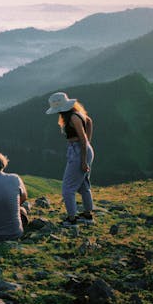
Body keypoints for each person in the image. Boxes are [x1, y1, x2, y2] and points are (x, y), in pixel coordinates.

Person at [46, 91, 94, 226]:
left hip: (78, 150)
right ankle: (87, 215)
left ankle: (72, 219)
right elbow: (89, 122)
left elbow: (82, 138)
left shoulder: (72, 118)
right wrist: (88, 145)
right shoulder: (77, 114)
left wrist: (83, 159)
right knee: (84, 185)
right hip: (82, 149)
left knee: (68, 188)